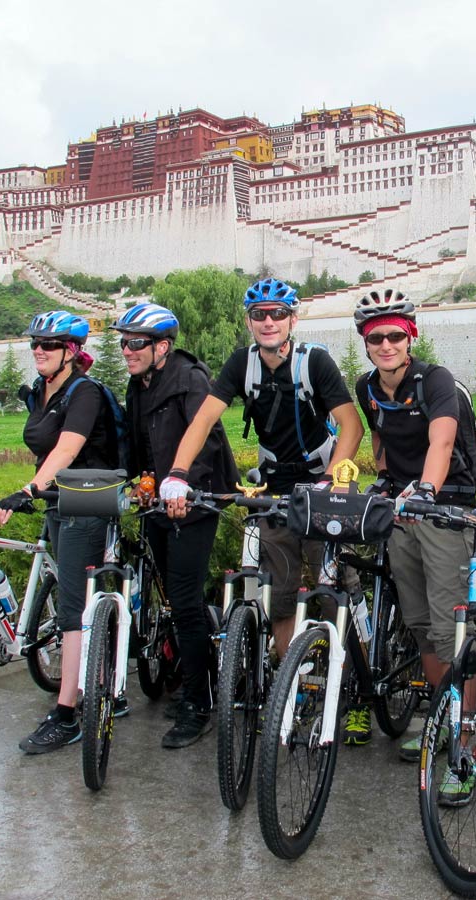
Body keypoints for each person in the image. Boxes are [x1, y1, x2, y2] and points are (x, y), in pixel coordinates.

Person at [159, 278, 365, 731]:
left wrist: (331, 480)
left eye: (277, 314)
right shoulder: (242, 363)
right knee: (281, 593)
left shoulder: (316, 362)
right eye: (259, 315)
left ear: (293, 319)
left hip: (321, 483)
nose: (268, 322)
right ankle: (294, 677)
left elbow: (351, 427)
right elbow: (203, 421)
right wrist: (176, 473)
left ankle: (355, 688)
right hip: (275, 487)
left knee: (335, 590)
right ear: (249, 321)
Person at [352, 289, 476, 792]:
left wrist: (425, 490)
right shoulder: (367, 387)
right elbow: (380, 438)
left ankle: (468, 746)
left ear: (411, 337)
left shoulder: (435, 380)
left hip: (445, 507)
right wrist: (384, 481)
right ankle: (444, 723)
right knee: (422, 626)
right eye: (375, 336)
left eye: (394, 335)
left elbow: (442, 439)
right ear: (365, 343)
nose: (385, 344)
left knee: (452, 630)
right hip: (403, 510)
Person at [0, 311, 119, 754]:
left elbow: (69, 446)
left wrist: (29, 488)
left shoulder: (84, 391)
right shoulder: (41, 393)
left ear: (71, 351)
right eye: (35, 344)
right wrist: (37, 489)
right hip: (57, 499)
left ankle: (68, 714)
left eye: (49, 344)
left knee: (71, 607)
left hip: (88, 497)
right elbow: (46, 448)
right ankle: (97, 679)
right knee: (69, 591)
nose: (38, 351)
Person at [114, 302, 238, 748]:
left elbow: (206, 439)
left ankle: (200, 703)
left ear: (161, 346)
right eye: (122, 342)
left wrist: (186, 486)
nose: (126, 350)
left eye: (134, 343)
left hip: (195, 502)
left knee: (183, 601)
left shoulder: (190, 379)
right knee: (173, 597)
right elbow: (140, 442)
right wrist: (133, 481)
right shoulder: (138, 384)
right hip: (157, 505)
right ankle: (193, 670)